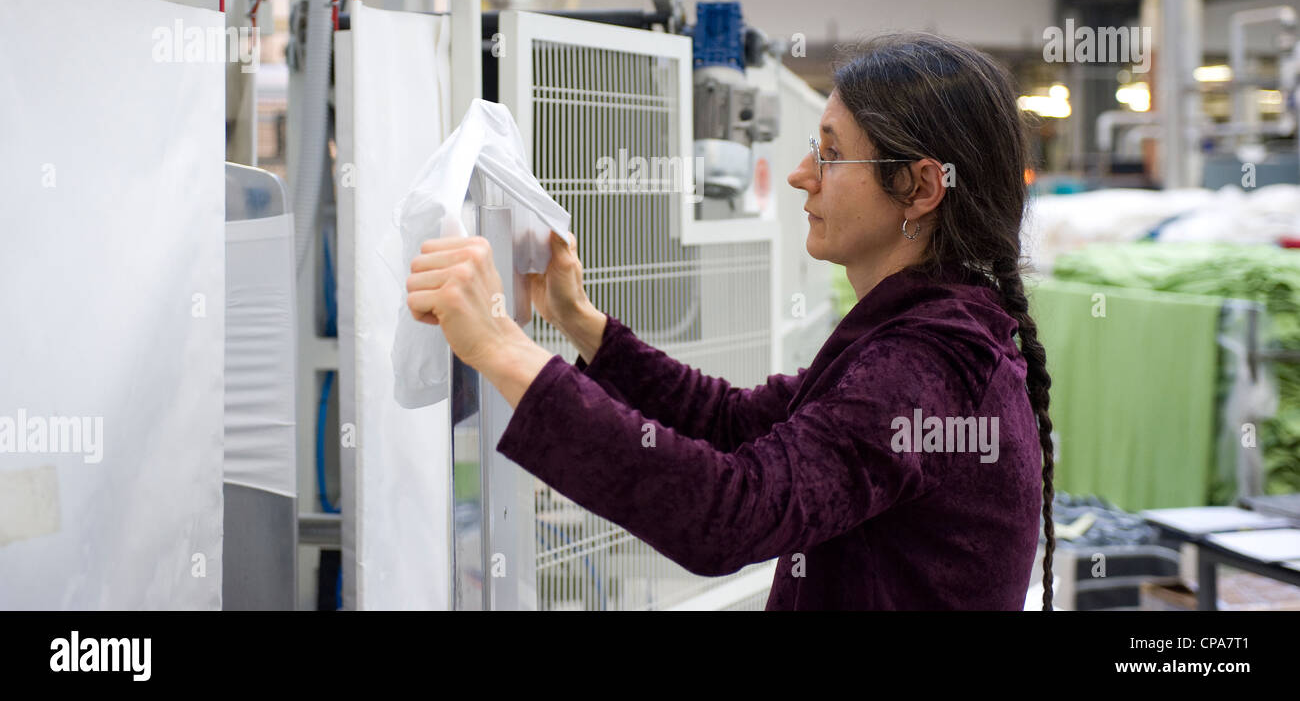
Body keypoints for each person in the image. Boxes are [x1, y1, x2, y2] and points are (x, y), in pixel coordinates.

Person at [405, 31, 1056, 610]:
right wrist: (578, 321)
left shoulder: (931, 365)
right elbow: (735, 422)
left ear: (919, 188)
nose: (802, 175)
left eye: (830, 155)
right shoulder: (923, 334)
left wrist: (498, 344)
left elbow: (729, 513)